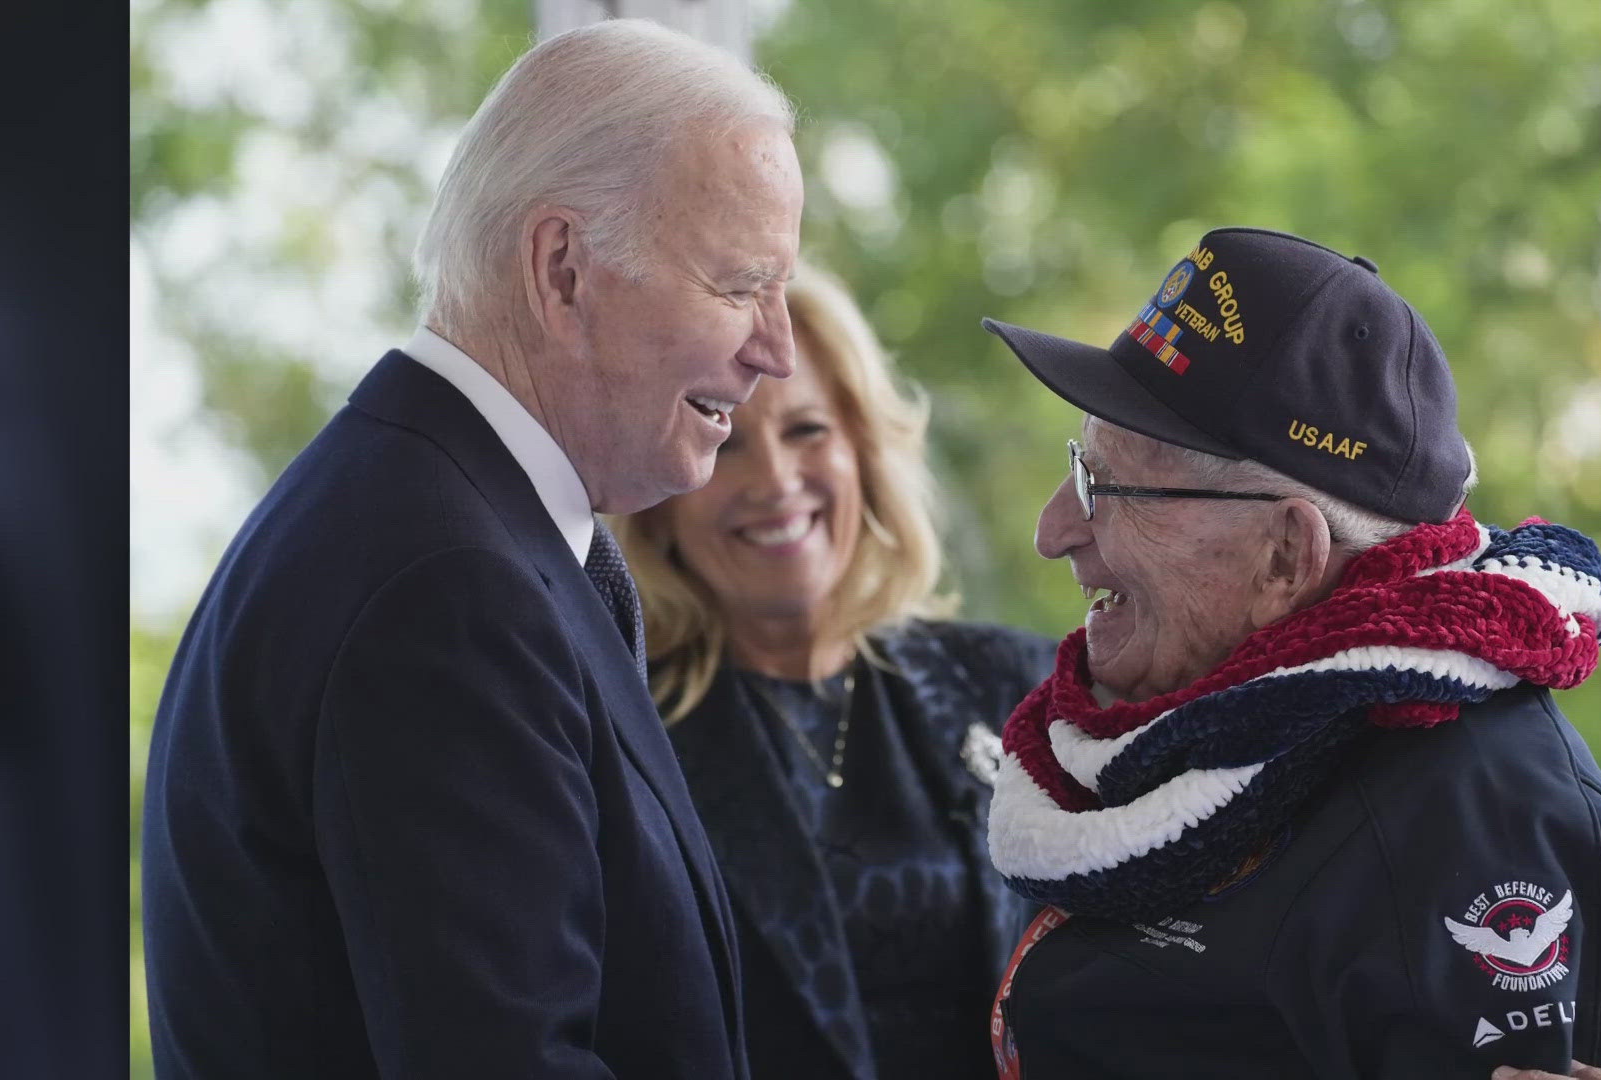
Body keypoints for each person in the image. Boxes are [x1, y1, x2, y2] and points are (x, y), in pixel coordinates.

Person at [141, 20, 802, 1078]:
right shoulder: (447, 587)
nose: (777, 350)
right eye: (739, 285)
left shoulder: (435, 516)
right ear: (562, 270)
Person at [978, 228, 1601, 1078]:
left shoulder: (1476, 818)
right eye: (1078, 466)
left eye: (1107, 487)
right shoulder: (1196, 730)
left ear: (1287, 553)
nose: (1053, 530)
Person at [607, 265, 1054, 1080]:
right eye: (727, 438)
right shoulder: (621, 736)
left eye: (808, 430)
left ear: (865, 451)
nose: (775, 482)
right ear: (662, 492)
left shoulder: (1019, 688)